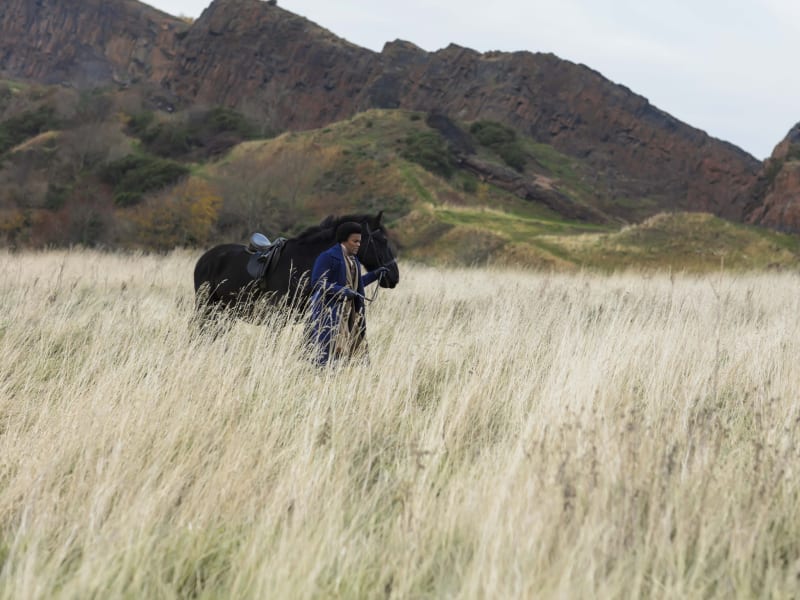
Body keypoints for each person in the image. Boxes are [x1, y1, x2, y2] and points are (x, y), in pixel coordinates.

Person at [308, 222, 389, 366]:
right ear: (344, 240)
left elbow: (355, 285)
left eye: (360, 241)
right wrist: (340, 290)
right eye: (355, 241)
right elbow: (317, 282)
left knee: (354, 355)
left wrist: (375, 274)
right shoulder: (327, 257)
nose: (358, 244)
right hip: (329, 314)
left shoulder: (354, 260)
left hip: (350, 314)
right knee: (327, 355)